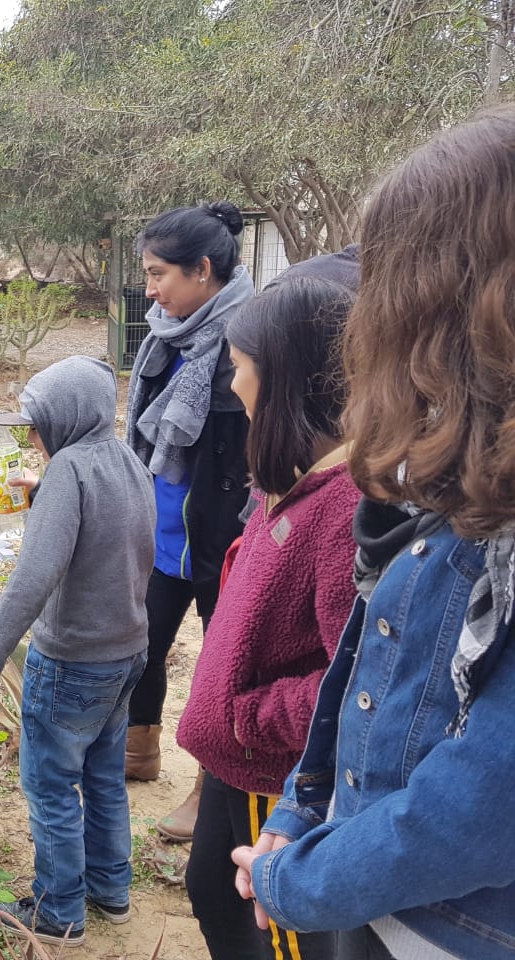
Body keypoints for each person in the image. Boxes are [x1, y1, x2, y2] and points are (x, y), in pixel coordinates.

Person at [232, 104, 515, 959]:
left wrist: (300, 879)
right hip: (374, 895)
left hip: (449, 928)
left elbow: (474, 809)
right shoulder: (451, 477)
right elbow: (361, 673)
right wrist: (305, 806)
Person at [176, 276, 360, 960]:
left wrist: (252, 716)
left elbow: (357, 674)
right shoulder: (295, 482)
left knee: (268, 926)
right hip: (239, 754)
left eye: (238, 366)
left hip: (271, 768)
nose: (233, 384)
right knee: (209, 888)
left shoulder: (341, 508)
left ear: (281, 374)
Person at [0, 356, 156, 945]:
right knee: (101, 777)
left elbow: (31, 578)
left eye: (38, 425)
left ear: (66, 418)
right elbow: (110, 521)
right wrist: (44, 491)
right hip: (127, 656)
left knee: (49, 785)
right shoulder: (127, 461)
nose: (35, 437)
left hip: (71, 661)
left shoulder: (69, 470)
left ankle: (59, 909)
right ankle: (110, 889)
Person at [122, 200, 255, 841]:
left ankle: (210, 791)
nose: (149, 289)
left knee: (220, 666)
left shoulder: (251, 341)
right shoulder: (166, 333)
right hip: (162, 527)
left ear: (203, 270)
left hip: (224, 537)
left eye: (158, 274)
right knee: (142, 641)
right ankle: (138, 749)